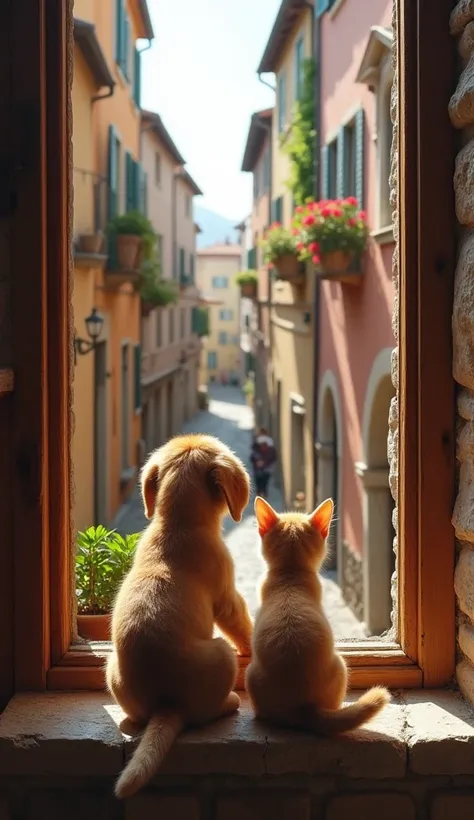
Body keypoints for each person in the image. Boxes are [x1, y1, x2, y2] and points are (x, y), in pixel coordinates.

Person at [250, 428, 277, 499]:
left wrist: (264, 463)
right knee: (258, 483)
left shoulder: (270, 446)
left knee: (264, 483)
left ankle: (263, 497)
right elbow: (253, 456)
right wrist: (257, 461)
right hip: (258, 469)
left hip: (266, 469)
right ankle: (259, 497)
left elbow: (272, 457)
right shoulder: (256, 445)